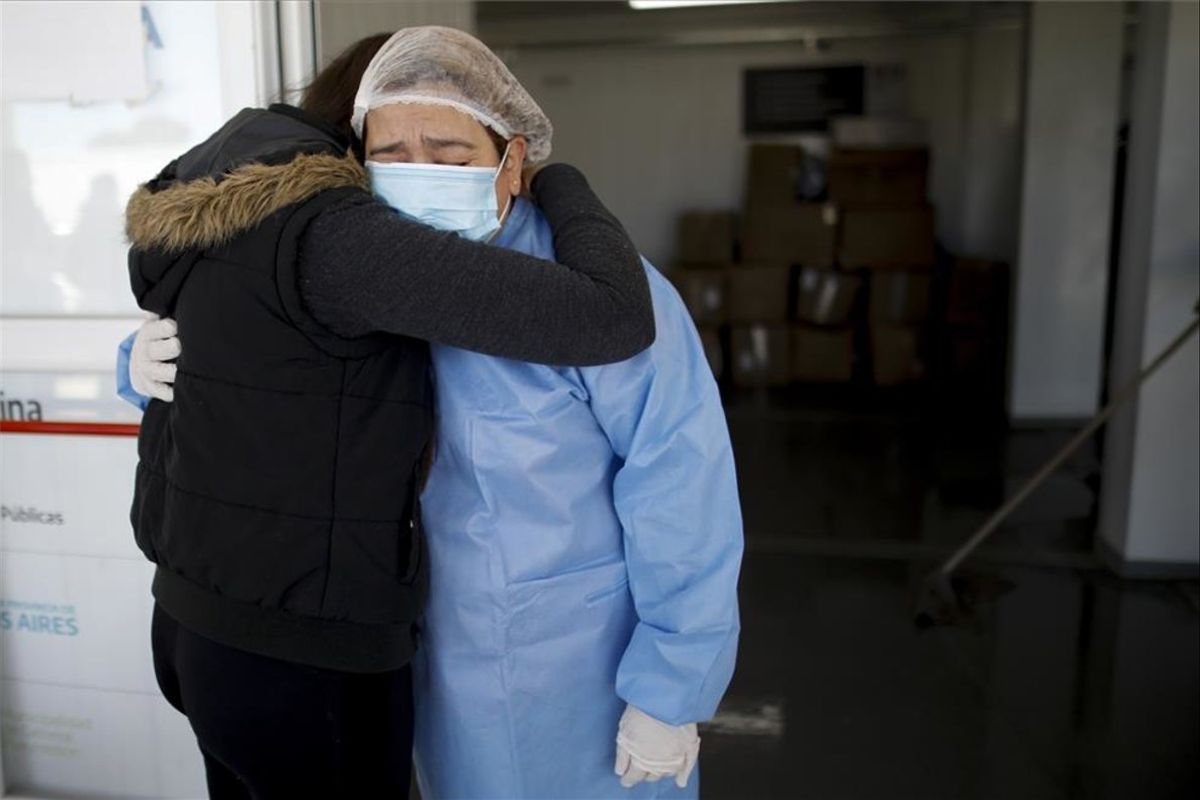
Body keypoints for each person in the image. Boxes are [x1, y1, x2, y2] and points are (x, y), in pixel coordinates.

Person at [124, 26, 743, 799]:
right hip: (421, 661)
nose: (421, 175)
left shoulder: (579, 290)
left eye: (450, 157)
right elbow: (259, 348)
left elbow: (682, 485)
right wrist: (136, 358)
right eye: (392, 155)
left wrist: (671, 683)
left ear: (511, 161)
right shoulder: (369, 271)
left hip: (571, 668)